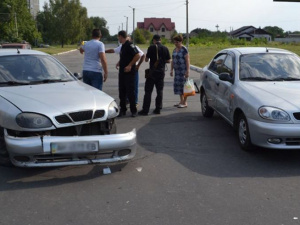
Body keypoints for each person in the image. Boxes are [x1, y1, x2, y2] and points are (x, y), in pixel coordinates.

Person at [138, 34, 171, 115]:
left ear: (154, 40)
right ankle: (158, 109)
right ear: (160, 40)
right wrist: (162, 61)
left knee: (148, 91)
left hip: (152, 72)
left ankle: (145, 110)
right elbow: (169, 61)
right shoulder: (165, 48)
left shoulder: (151, 47)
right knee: (159, 91)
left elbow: (146, 60)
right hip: (161, 72)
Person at [105, 40, 145, 106]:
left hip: (133, 69)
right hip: (124, 69)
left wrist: (138, 65)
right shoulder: (122, 47)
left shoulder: (134, 47)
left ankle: (135, 102)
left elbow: (142, 55)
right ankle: (126, 100)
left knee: (133, 87)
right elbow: (113, 50)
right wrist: (104, 51)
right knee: (124, 87)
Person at [117, 30, 141, 117]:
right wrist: (119, 62)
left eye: (118, 37)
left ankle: (133, 110)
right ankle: (123, 109)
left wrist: (130, 65)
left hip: (129, 73)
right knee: (122, 92)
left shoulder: (130, 45)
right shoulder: (123, 46)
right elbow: (125, 56)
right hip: (122, 72)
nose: (118, 38)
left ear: (121, 36)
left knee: (131, 92)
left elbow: (137, 55)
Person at [170, 34, 190, 108]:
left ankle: (185, 102)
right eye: (174, 42)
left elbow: (187, 60)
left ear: (181, 41)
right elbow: (172, 60)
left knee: (184, 86)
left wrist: (187, 71)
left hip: (183, 71)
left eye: (177, 42)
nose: (176, 44)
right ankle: (181, 101)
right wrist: (171, 69)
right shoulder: (174, 50)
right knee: (178, 86)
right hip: (177, 71)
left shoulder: (184, 49)